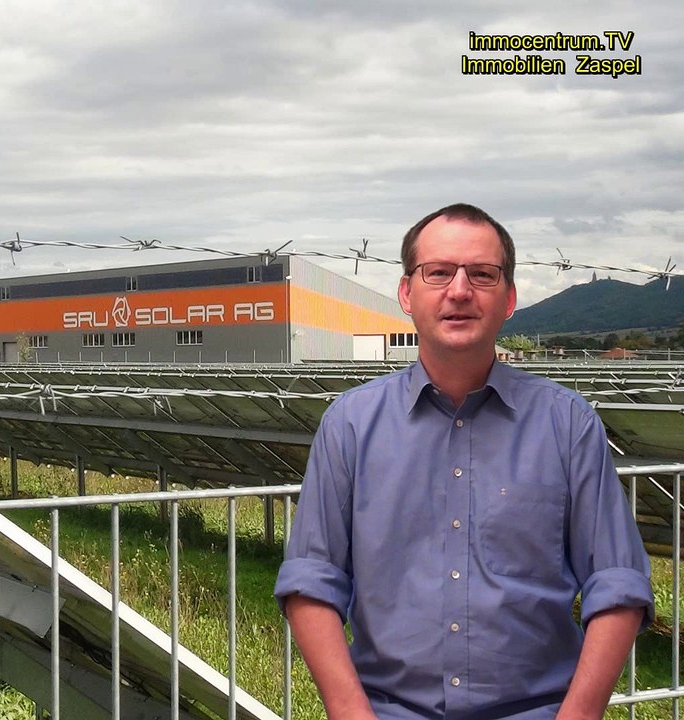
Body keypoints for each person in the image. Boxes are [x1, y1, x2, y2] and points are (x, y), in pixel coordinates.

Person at [274, 203, 654, 720]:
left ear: (510, 298)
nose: (459, 290)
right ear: (407, 293)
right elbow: (311, 579)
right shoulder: (350, 425)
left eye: (482, 274)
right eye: (438, 272)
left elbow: (617, 583)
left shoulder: (568, 424)